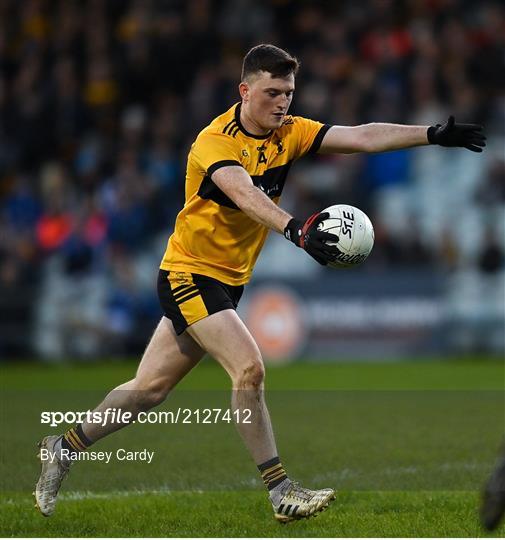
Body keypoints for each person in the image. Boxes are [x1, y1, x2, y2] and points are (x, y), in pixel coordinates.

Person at [34, 44, 486, 522]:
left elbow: (361, 137)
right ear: (245, 91)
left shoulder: (289, 132)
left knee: (148, 390)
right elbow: (243, 193)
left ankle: (62, 448)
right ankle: (280, 492)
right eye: (272, 92)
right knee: (249, 369)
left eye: (288, 93)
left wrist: (433, 134)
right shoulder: (214, 141)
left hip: (228, 281)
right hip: (189, 273)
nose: (282, 103)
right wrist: (297, 230)